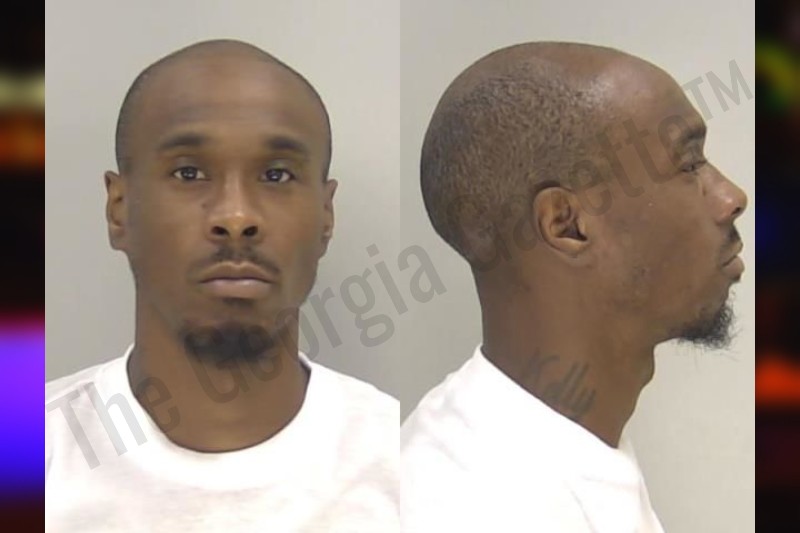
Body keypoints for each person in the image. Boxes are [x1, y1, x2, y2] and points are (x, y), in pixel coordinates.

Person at [45, 39, 399, 532]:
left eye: (276, 175)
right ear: (119, 210)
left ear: (326, 215)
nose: (236, 216)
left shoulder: (412, 467)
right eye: (189, 173)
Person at [402, 42, 747, 532]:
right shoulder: (467, 506)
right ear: (567, 224)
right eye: (689, 165)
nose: (732, 197)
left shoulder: (559, 451)